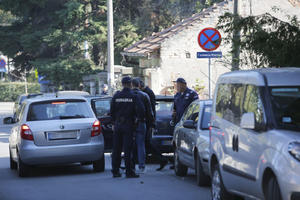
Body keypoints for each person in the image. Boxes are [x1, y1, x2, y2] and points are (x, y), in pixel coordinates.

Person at [110, 76, 144, 178]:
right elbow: (141, 111)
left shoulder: (116, 96)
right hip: (129, 125)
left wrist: (114, 122)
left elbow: (111, 111)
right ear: (130, 84)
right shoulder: (134, 96)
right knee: (128, 150)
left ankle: (115, 171)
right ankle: (129, 171)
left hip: (118, 125)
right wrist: (138, 120)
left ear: (122, 84)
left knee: (116, 149)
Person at [139, 80, 169, 171]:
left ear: (140, 85)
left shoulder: (147, 93)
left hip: (148, 122)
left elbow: (150, 109)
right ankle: (161, 159)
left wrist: (151, 123)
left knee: (146, 143)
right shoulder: (146, 92)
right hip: (148, 121)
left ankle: (162, 159)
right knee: (145, 143)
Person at [131, 78, 154, 174]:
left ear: (132, 85)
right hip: (141, 123)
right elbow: (150, 112)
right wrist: (150, 124)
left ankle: (130, 165)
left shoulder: (128, 95)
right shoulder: (144, 95)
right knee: (141, 145)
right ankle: (142, 166)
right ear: (139, 85)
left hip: (129, 124)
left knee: (129, 145)